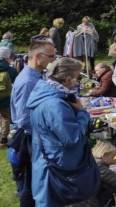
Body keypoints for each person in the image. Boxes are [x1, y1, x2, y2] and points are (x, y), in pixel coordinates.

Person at [28, 57, 94, 206]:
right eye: (77, 78)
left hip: (49, 160)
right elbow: (72, 138)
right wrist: (82, 113)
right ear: (68, 79)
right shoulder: (55, 104)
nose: (78, 82)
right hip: (58, 165)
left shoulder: (48, 95)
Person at [10, 39, 56, 204]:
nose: (54, 60)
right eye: (51, 56)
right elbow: (24, 118)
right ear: (37, 56)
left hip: (35, 137)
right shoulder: (29, 81)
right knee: (31, 185)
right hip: (32, 138)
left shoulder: (36, 76)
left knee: (34, 183)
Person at [0, 46, 19, 146]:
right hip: (5, 99)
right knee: (5, 117)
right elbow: (18, 82)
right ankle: (3, 139)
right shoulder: (10, 70)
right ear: (7, 57)